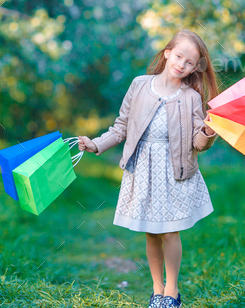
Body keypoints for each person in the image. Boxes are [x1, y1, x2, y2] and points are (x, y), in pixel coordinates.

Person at [78, 29, 219, 308]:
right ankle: (156, 290)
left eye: (190, 62)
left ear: (195, 67)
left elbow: (197, 143)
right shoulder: (140, 84)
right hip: (143, 168)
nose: (182, 64)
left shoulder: (190, 97)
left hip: (175, 170)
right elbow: (121, 126)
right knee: (152, 232)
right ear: (167, 53)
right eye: (179, 56)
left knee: (170, 231)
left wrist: (207, 132)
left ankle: (172, 291)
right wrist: (96, 144)